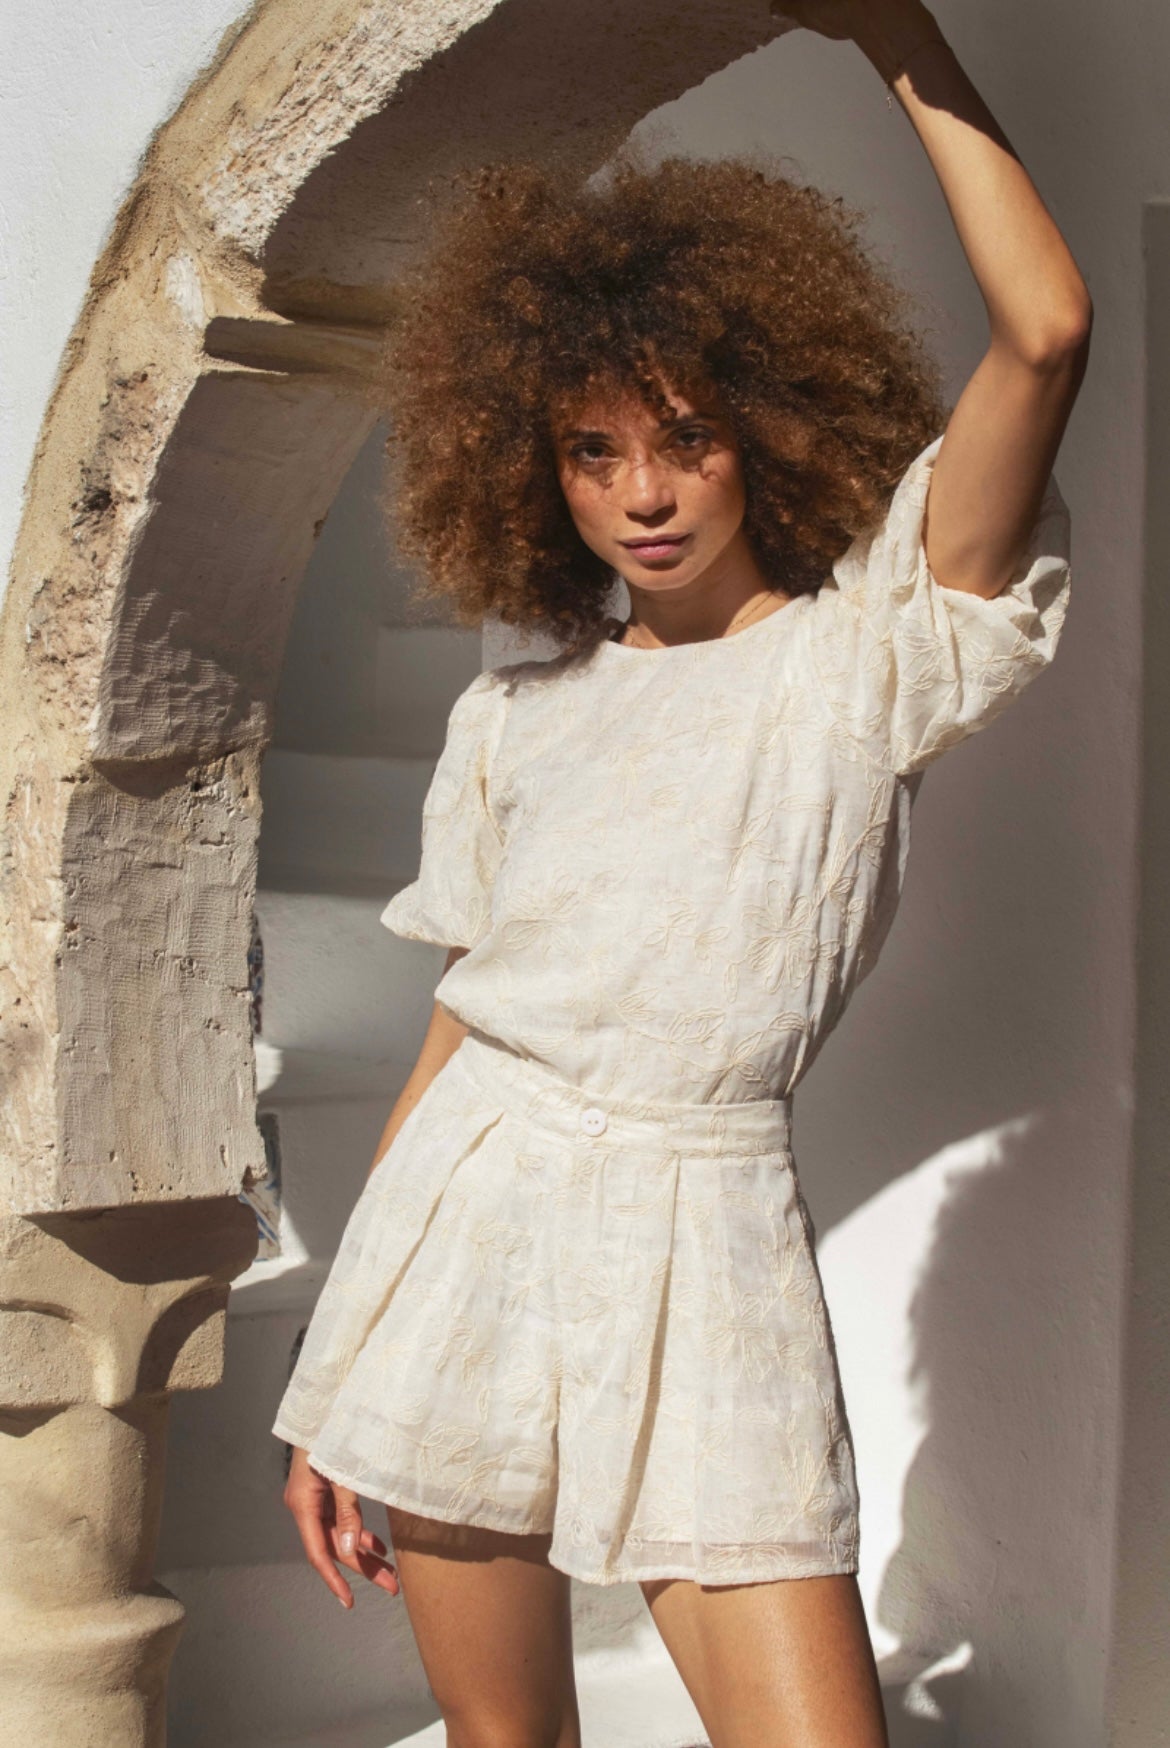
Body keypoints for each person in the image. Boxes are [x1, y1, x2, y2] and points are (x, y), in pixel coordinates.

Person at [273, 1, 1092, 1741]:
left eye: (686, 437)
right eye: (593, 452)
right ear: (537, 469)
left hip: (707, 1234)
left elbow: (1045, 332)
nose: (642, 494)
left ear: (767, 432)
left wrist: (898, 36)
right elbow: (453, 1034)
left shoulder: (865, 657)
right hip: (467, 1227)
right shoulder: (512, 719)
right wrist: (331, 1379)